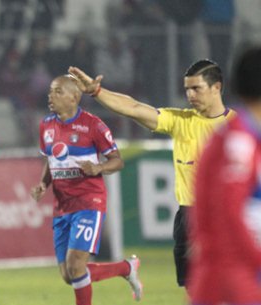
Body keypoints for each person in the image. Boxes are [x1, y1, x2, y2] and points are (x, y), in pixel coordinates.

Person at [68, 59, 236, 289]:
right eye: (186, 89)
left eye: (196, 88)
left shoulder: (239, 126)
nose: (189, 95)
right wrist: (97, 91)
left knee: (233, 286)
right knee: (195, 290)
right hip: (189, 217)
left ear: (216, 87)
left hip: (228, 216)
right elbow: (134, 107)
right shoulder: (181, 121)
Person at [30, 75, 143, 305]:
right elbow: (50, 160)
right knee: (69, 275)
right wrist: (43, 184)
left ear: (73, 97)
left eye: (57, 91)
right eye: (50, 91)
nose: (50, 96)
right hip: (62, 206)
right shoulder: (46, 125)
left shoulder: (93, 125)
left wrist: (99, 168)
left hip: (89, 202)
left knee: (76, 265)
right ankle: (126, 268)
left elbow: (117, 161)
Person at [188, 46, 261, 305]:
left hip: (247, 288)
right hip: (232, 292)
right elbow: (231, 218)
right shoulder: (238, 141)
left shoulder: (249, 137)